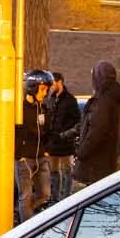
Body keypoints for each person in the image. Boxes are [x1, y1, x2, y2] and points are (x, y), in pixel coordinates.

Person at [77, 59, 120, 187]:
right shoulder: (113, 98)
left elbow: (97, 130)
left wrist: (82, 152)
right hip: (106, 160)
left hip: (96, 163)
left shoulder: (104, 100)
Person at [41, 70, 81, 204]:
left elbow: (77, 120)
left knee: (66, 170)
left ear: (60, 82)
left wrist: (67, 134)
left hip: (65, 142)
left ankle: (66, 196)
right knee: (53, 170)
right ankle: (55, 197)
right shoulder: (51, 99)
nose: (51, 86)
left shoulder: (70, 100)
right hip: (53, 142)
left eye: (53, 83)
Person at [16, 70, 49, 219]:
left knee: (45, 194)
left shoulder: (42, 108)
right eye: (43, 89)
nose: (45, 93)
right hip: (25, 158)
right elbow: (15, 132)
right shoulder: (20, 110)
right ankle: (26, 224)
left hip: (41, 156)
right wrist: (19, 154)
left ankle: (24, 212)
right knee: (26, 196)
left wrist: (46, 150)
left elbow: (47, 130)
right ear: (32, 88)